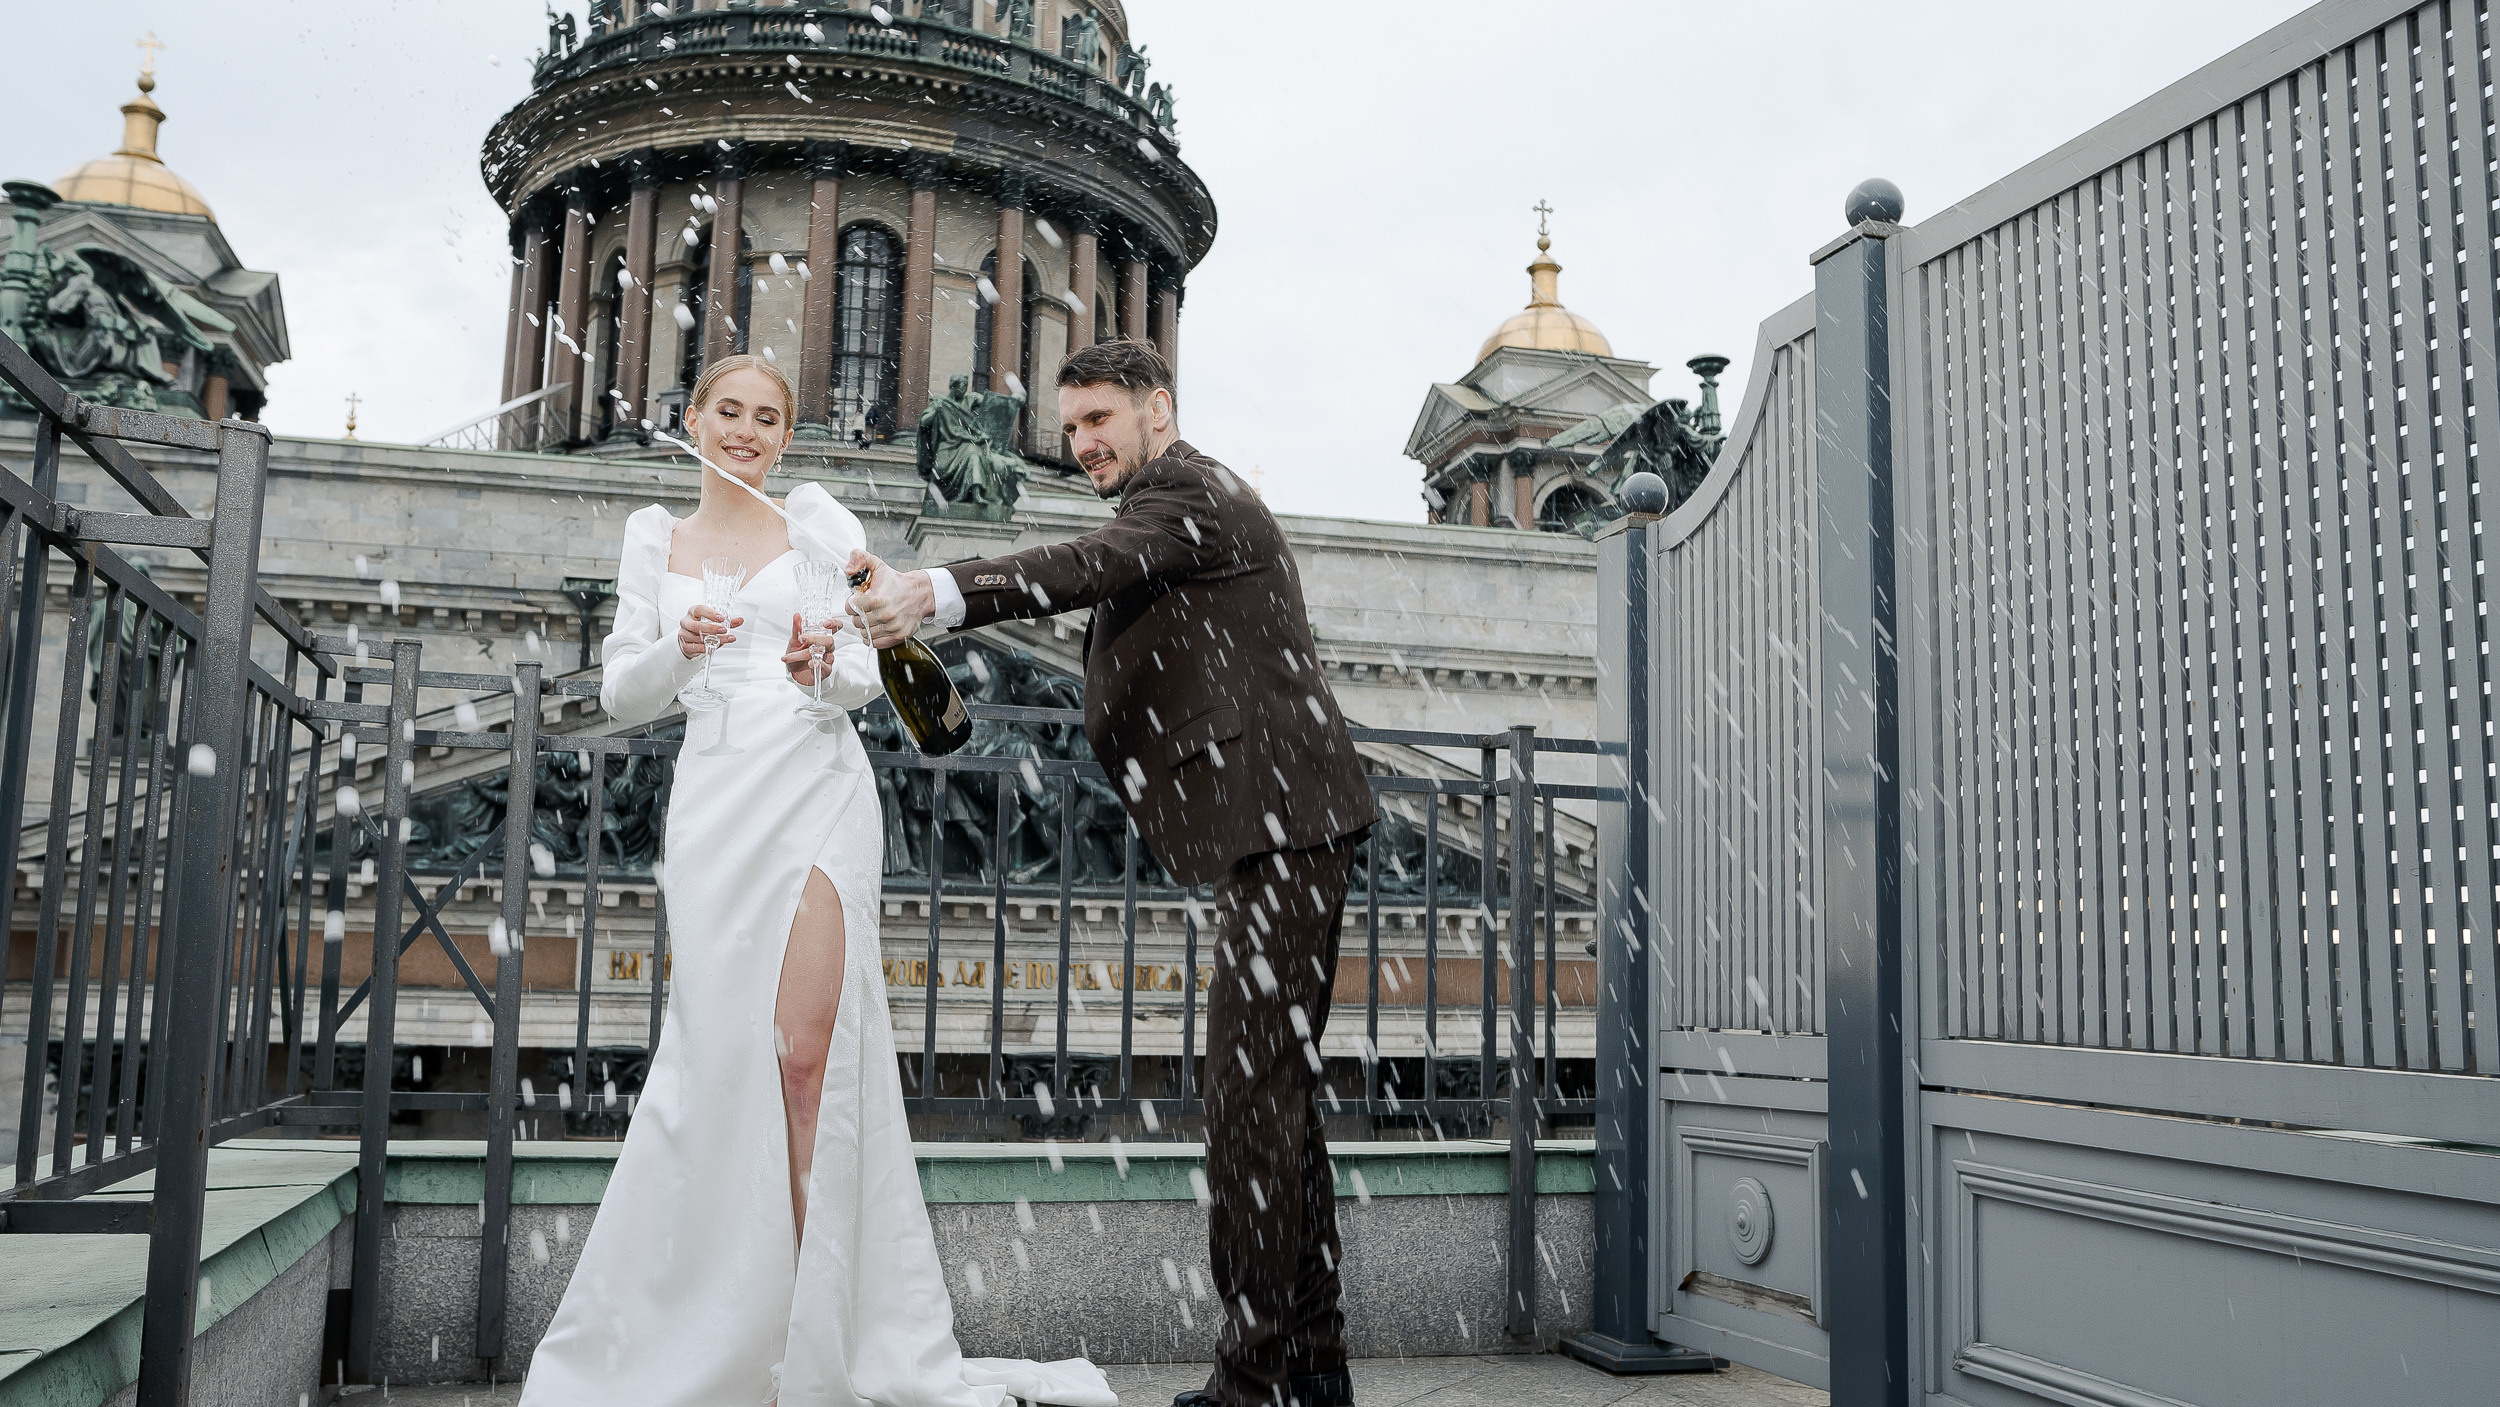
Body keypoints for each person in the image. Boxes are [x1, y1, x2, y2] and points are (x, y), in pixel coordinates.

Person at [521, 354, 1110, 1407]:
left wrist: (817, 671)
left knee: (805, 1058)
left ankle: (817, 1335)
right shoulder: (655, 535)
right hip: (713, 809)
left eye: (766, 418)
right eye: (729, 412)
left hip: (814, 788)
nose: (746, 431)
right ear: (692, 420)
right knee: (718, 1065)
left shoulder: (814, 517)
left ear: (784, 436)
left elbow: (866, 671)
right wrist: (682, 655)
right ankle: (722, 1323)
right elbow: (621, 688)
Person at [847, 340, 1376, 1407]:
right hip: (1279, 828)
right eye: (1073, 426)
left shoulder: (1189, 491)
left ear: (1157, 410)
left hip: (1285, 827)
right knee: (1271, 1105)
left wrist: (935, 592)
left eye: (1100, 420)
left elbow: (1079, 568)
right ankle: (1306, 1370)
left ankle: (1261, 1380)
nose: (1083, 442)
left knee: (1248, 1105)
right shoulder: (1180, 497)